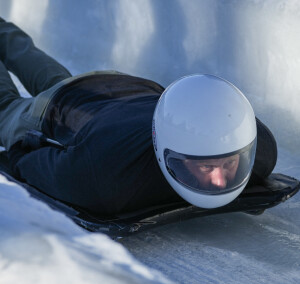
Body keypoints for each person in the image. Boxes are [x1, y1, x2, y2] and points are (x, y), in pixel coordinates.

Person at [0, 18, 277, 215]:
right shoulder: (105, 180)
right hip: (53, 110)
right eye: (206, 167)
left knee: (24, 51)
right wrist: (15, 151)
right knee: (5, 105)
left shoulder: (261, 151)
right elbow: (34, 164)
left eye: (229, 163)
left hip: (117, 87)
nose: (220, 182)